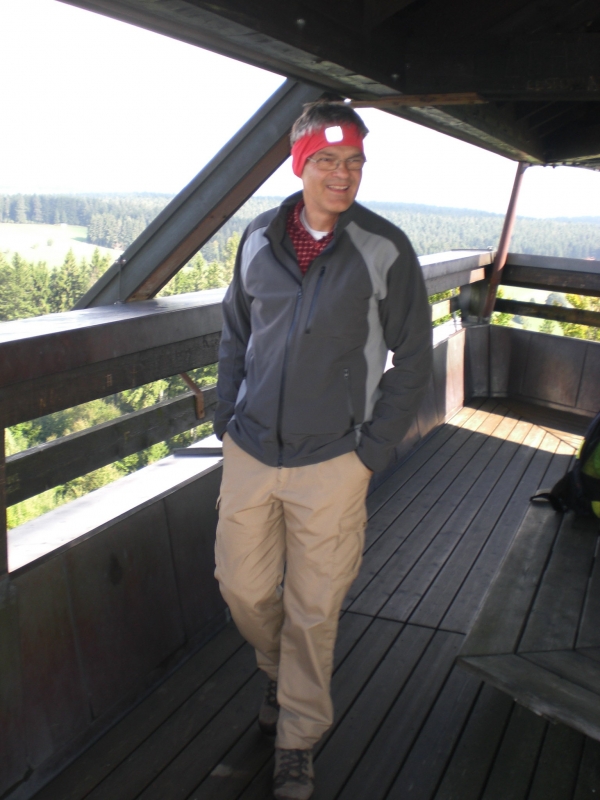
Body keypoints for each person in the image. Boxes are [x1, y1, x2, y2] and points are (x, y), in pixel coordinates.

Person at [213, 100, 432, 799]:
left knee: (316, 606)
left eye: (356, 162)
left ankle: (298, 736)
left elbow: (414, 357)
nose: (344, 175)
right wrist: (226, 414)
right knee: (243, 588)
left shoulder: (384, 248)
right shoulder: (256, 239)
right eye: (329, 161)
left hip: (334, 460)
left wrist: (369, 452)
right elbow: (233, 334)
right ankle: (280, 676)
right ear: (300, 163)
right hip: (252, 450)